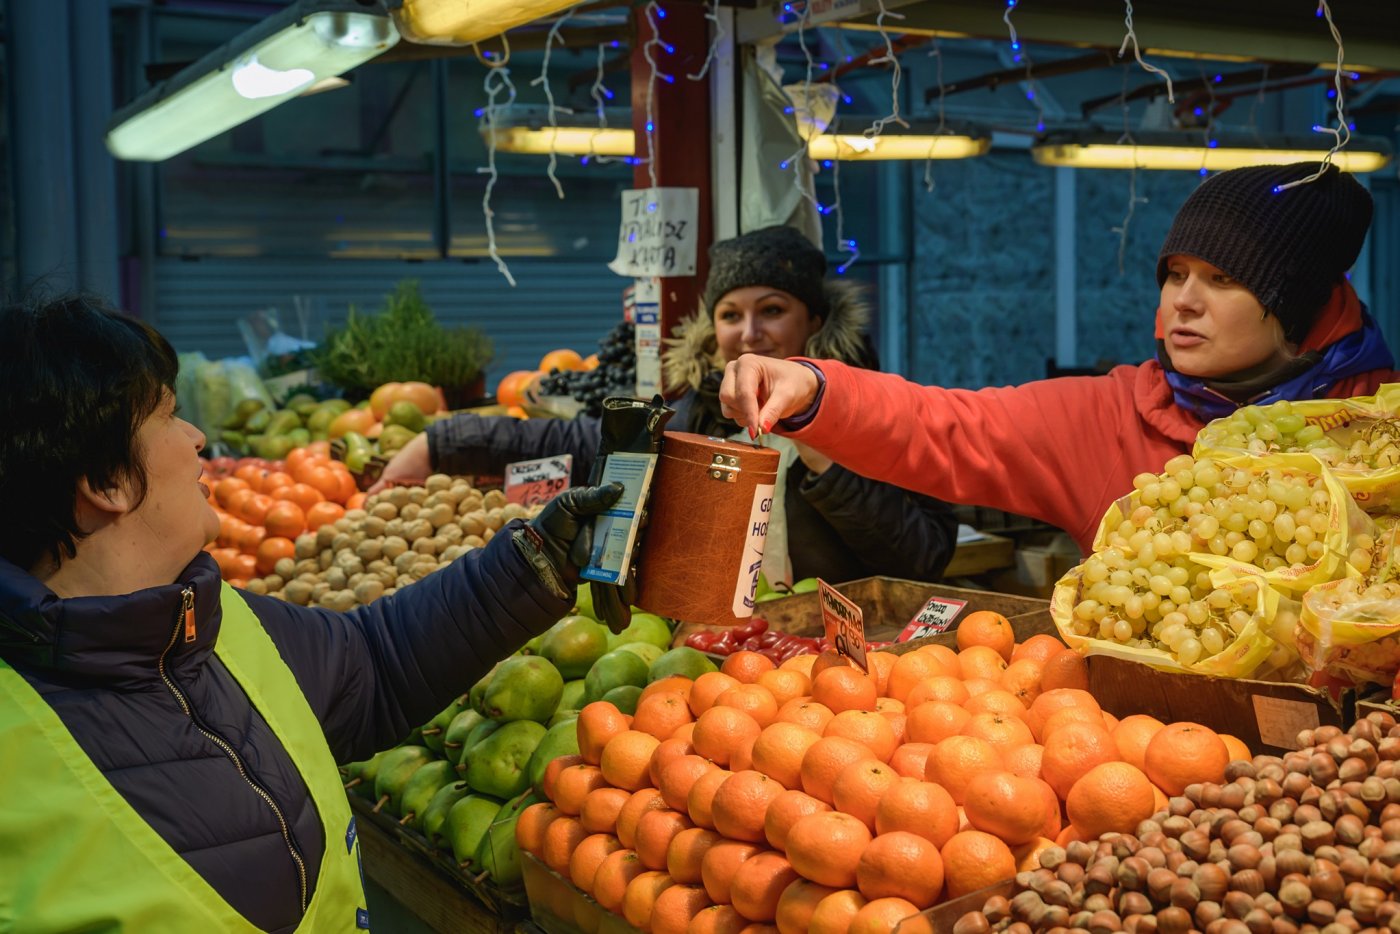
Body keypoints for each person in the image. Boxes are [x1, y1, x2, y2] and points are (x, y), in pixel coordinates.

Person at [0, 294, 621, 932]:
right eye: (169, 417)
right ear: (108, 483)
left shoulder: (210, 624)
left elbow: (376, 664)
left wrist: (537, 559)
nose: (197, 438)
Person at [718, 162, 1398, 555]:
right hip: (1146, 768)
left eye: (1222, 280)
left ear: (1298, 306)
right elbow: (948, 425)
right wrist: (814, 387)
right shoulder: (1112, 416)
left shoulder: (1380, 435)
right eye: (1175, 273)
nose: (1183, 302)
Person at [376, 225, 959, 586]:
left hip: (842, 669)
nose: (750, 333)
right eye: (731, 315)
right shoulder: (702, 413)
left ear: (814, 318)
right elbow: (576, 442)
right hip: (725, 659)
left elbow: (921, 559)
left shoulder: (879, 413)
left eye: (773, 310)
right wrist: (436, 444)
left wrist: (819, 450)